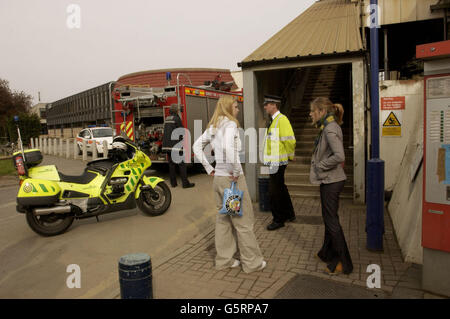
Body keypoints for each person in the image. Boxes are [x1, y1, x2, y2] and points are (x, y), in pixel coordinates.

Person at [193, 95, 266, 273]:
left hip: (219, 178)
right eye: (235, 106)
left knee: (224, 220)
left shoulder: (214, 126)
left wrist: (209, 168)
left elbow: (196, 147)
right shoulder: (231, 124)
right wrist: (234, 171)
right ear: (228, 107)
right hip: (231, 180)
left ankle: (225, 260)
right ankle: (252, 263)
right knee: (243, 222)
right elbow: (227, 146)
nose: (238, 109)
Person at [309, 97, 353, 275]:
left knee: (332, 222)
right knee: (329, 218)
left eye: (313, 111)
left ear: (321, 111)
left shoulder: (330, 129)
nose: (310, 114)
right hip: (329, 180)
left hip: (332, 180)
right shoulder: (327, 127)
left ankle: (344, 262)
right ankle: (326, 252)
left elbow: (339, 156)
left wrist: (320, 165)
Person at [262, 95, 296, 231]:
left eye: (266, 104)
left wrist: (289, 156)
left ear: (273, 105)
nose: (265, 107)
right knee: (280, 188)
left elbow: (290, 140)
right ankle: (289, 214)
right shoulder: (273, 121)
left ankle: (278, 219)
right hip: (275, 161)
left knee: (274, 191)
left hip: (278, 162)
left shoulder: (281, 120)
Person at [162, 104, 195, 188]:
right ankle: (185, 183)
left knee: (171, 165)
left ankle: (173, 183)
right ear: (176, 111)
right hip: (176, 146)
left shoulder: (167, 119)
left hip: (167, 146)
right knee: (182, 164)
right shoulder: (177, 119)